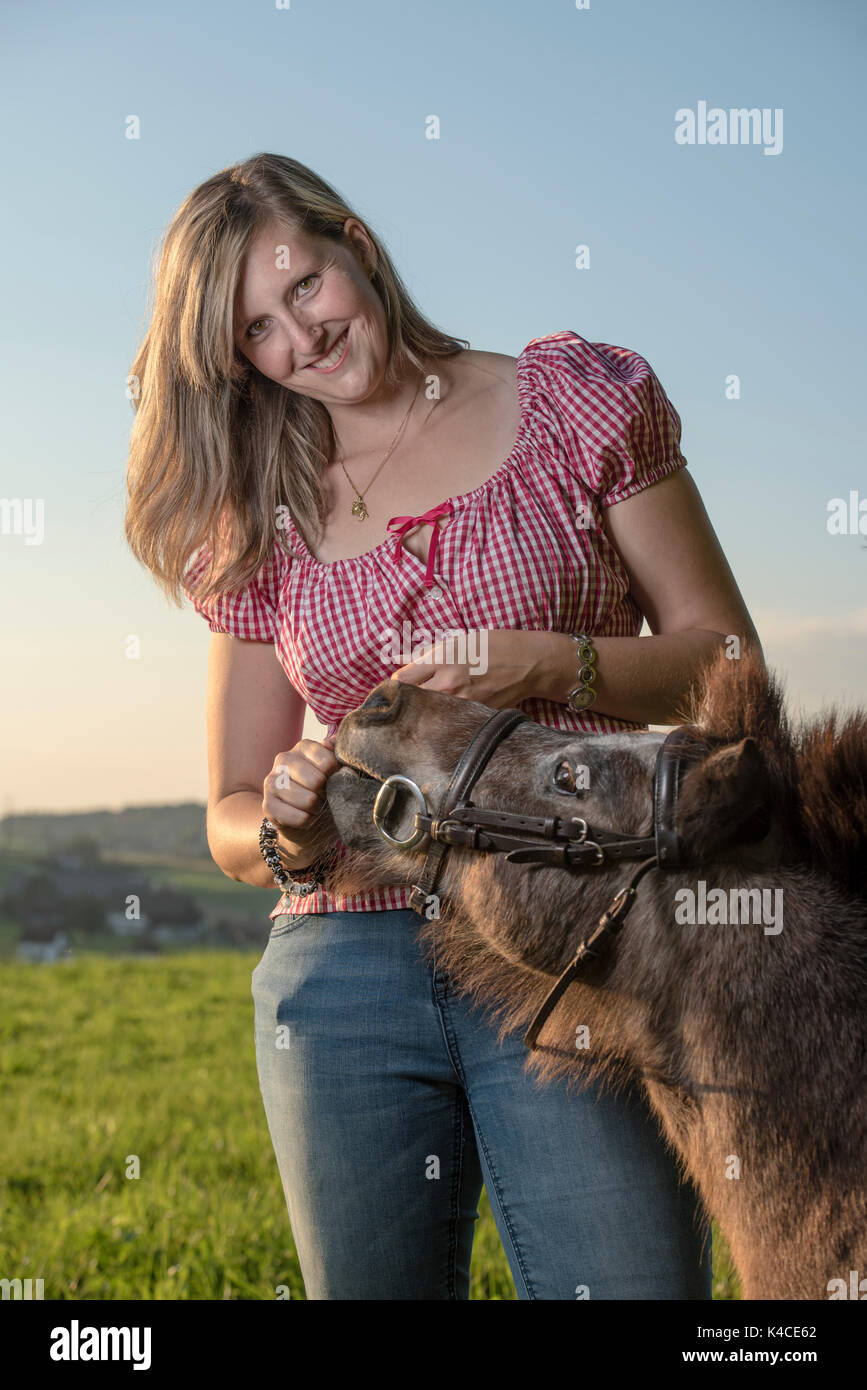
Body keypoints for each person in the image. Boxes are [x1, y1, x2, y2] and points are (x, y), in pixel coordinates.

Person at [125, 151, 762, 1300]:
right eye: (257, 332)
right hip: (346, 964)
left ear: (357, 245)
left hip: (580, 933)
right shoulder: (260, 516)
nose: (299, 341)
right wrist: (291, 830)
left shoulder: (571, 400)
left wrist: (549, 661)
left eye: (304, 288)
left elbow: (726, 660)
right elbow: (227, 813)